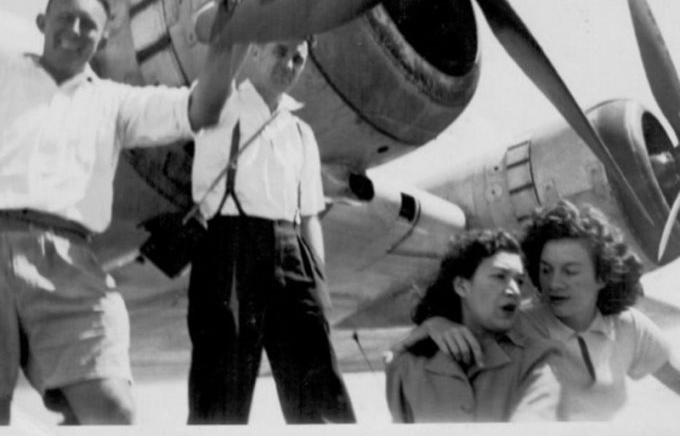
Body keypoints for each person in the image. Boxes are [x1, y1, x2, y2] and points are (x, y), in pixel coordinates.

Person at [0, 0, 267, 425]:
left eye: (89, 24)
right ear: (43, 22)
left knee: (114, 413)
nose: (76, 30)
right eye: (66, 18)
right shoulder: (5, 72)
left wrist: (234, 31)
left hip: (71, 257)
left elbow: (202, 109)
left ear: (104, 36)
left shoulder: (114, 101)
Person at [188, 38, 356, 424]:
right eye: (281, 51)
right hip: (230, 246)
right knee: (221, 398)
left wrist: (319, 283)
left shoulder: (300, 131)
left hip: (293, 250)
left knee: (320, 395)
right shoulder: (219, 108)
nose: (290, 64)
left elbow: (311, 212)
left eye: (298, 58)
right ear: (254, 51)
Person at [398, 200, 680, 420]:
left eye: (570, 271)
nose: (554, 283)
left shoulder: (628, 326)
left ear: (602, 276)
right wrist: (436, 323)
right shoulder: (515, 326)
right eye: (546, 270)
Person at [385, 229, 561, 423]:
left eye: (519, 281)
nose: (514, 290)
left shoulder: (540, 360)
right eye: (499, 276)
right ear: (461, 286)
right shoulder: (408, 366)